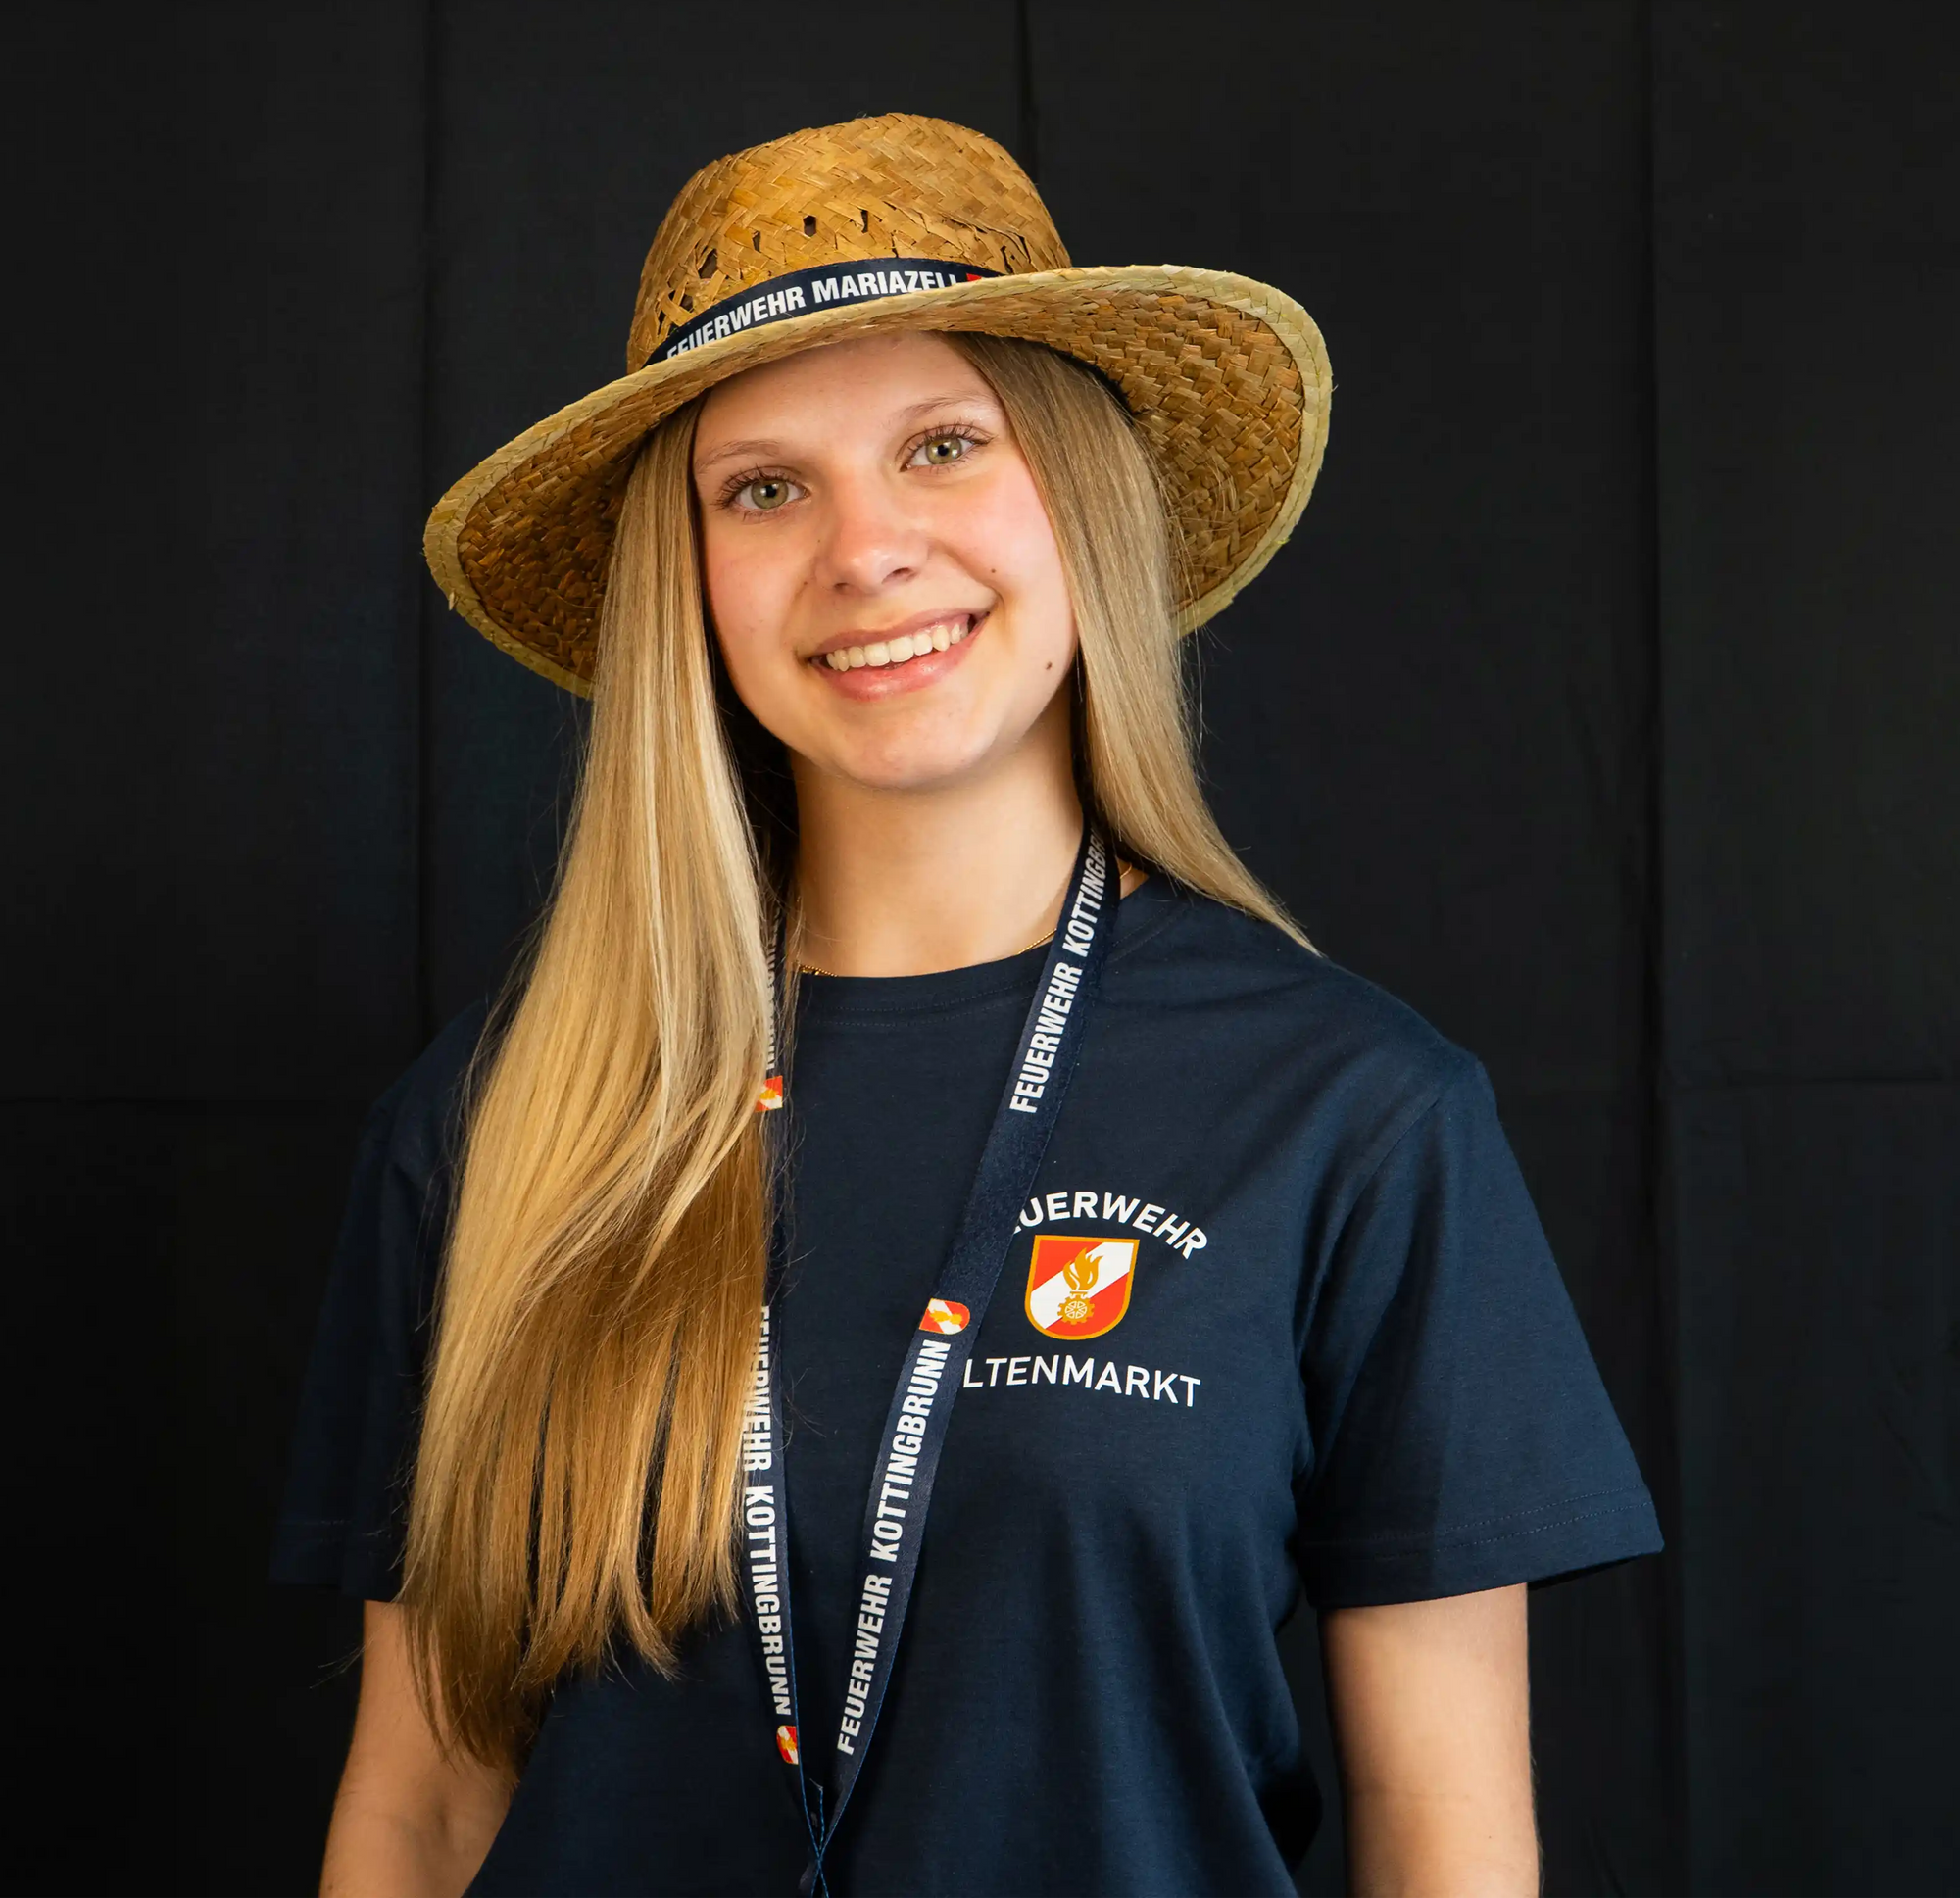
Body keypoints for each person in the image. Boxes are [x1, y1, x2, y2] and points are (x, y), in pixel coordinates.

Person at [272, 115, 1660, 1897]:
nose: (865, 550)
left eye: (942, 446)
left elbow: (1447, 1841)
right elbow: (420, 1812)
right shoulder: (497, 1125)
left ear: (1080, 495)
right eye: (762, 488)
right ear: (686, 583)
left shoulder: (1355, 1115)